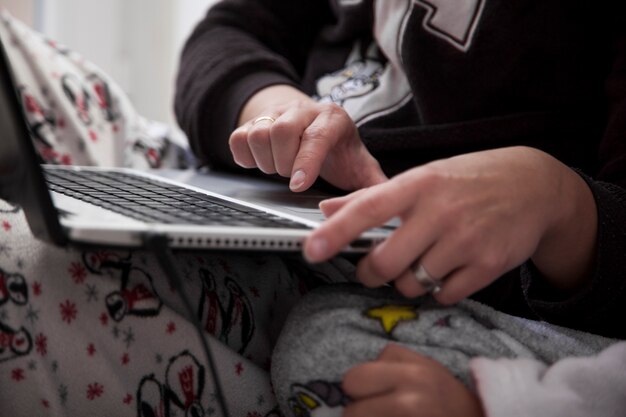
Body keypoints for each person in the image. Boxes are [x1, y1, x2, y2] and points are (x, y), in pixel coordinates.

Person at [174, 0, 626, 416]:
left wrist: (556, 199)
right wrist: (281, 113)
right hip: (266, 199)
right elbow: (227, 33)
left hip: (479, 293)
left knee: (327, 343)